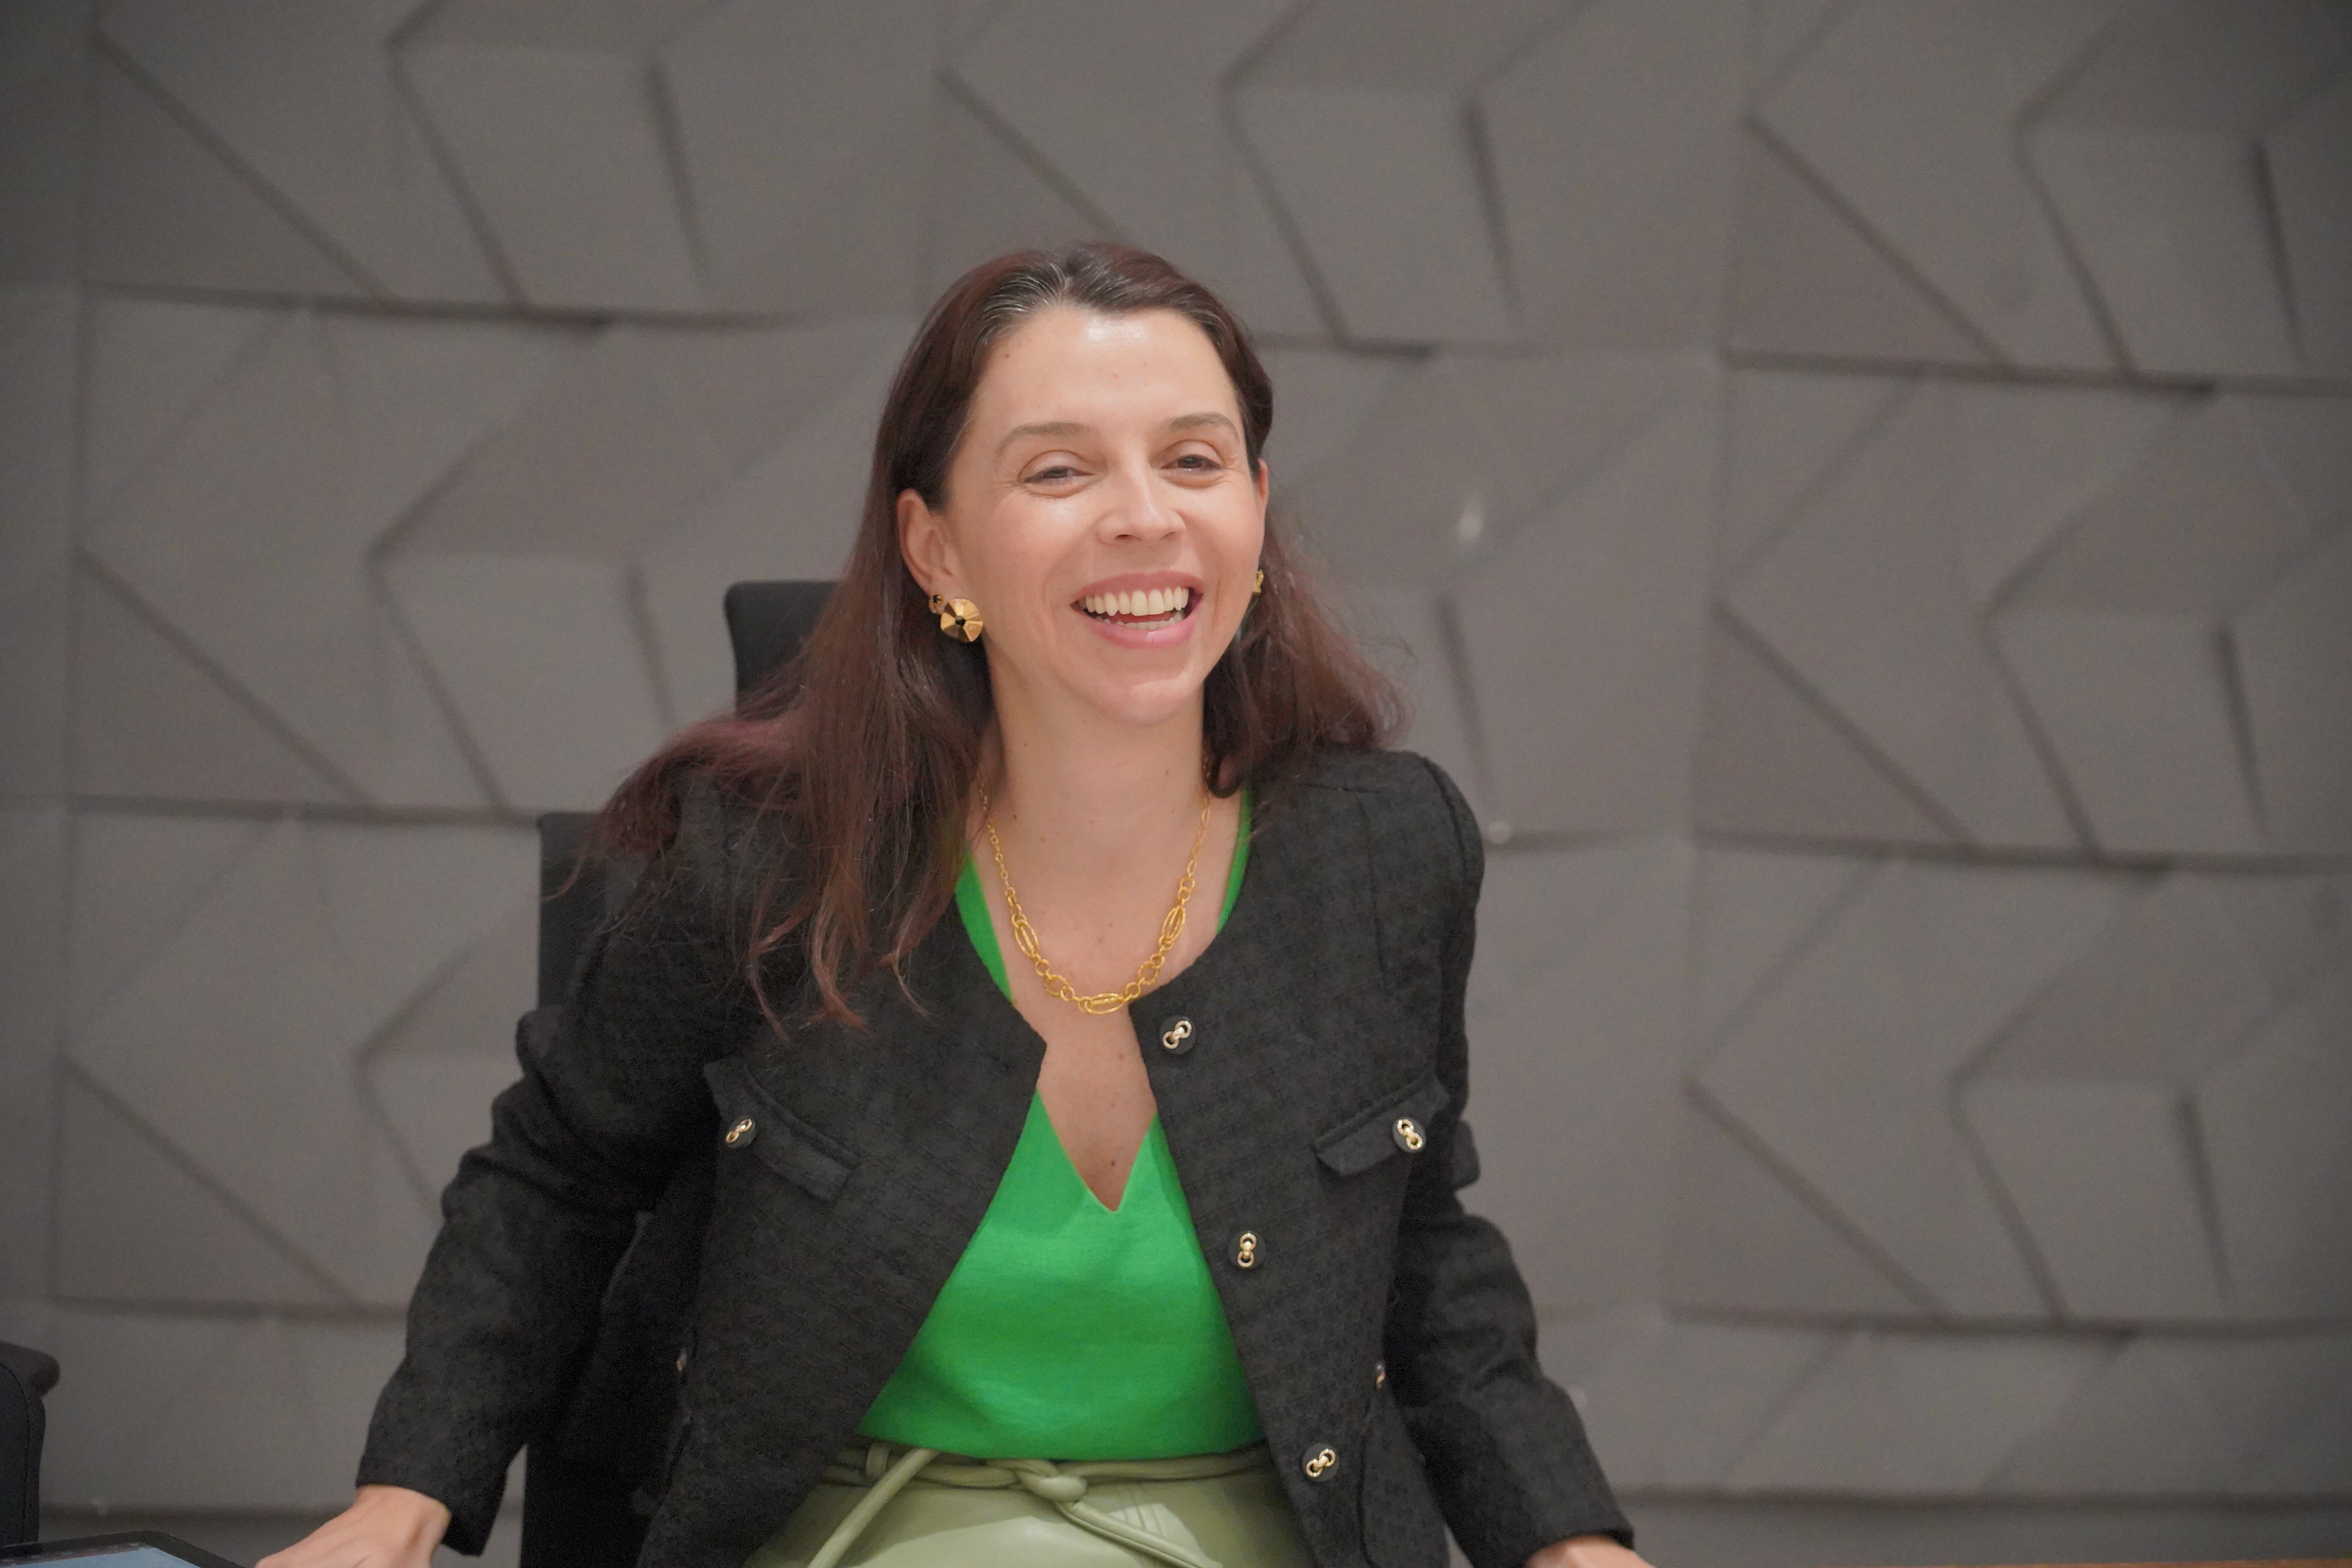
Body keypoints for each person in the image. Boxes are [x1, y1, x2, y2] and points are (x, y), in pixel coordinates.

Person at [260, 243, 1649, 1568]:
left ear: (1256, 507)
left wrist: (1565, 1533)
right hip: (872, 1526)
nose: (1146, 515)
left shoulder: (1386, 852)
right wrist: (406, 1497)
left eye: (1193, 459)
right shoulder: (768, 864)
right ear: (936, 550)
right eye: (1059, 469)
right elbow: (554, 1180)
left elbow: (1422, 1240)